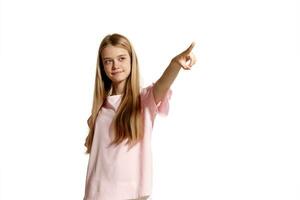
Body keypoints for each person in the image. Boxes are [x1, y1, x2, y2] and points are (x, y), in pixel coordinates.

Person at [83, 33, 196, 200]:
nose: (115, 65)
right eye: (108, 61)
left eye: (121, 58)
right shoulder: (100, 110)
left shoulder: (144, 101)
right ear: (102, 66)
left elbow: (162, 84)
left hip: (130, 195)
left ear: (131, 60)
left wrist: (175, 64)